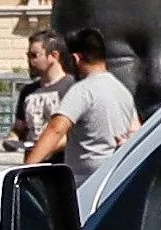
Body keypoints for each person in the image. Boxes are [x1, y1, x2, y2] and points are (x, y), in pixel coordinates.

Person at [32, 30, 142, 166]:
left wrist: (27, 167)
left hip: (85, 181)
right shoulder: (122, 91)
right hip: (114, 174)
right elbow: (135, 131)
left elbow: (56, 128)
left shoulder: (82, 90)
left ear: (76, 58)